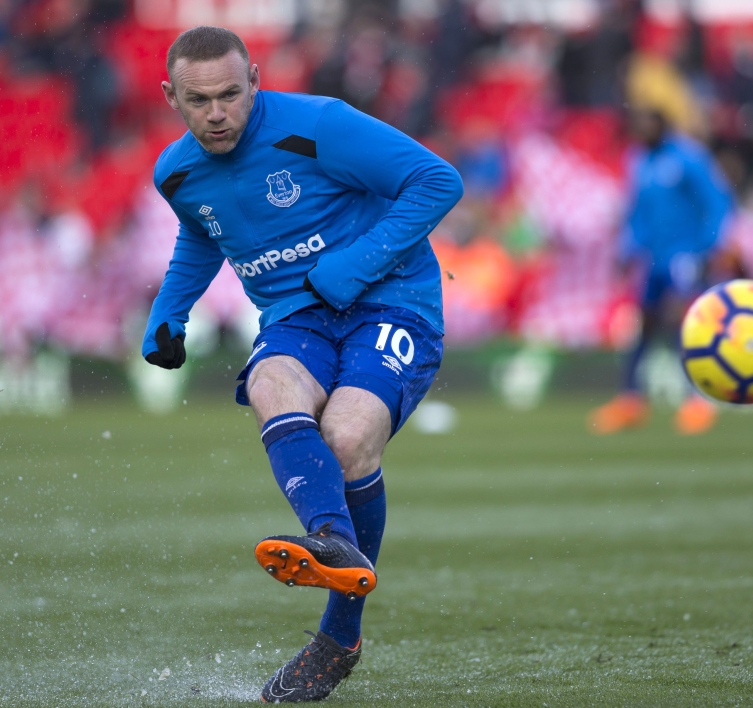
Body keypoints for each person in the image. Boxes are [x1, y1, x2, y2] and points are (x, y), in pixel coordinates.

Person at [142, 27, 463, 702]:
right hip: (297, 318)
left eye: (231, 94)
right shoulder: (175, 172)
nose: (219, 113)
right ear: (172, 97)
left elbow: (437, 181)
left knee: (347, 439)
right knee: (267, 380)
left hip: (393, 303)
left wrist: (351, 267)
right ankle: (331, 541)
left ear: (255, 79)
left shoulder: (319, 125)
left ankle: (338, 634)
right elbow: (203, 231)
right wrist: (168, 314)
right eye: (200, 101)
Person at [588, 106, 733, 435]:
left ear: (662, 125)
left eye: (648, 123)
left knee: (686, 325)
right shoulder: (638, 160)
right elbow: (637, 211)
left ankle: (697, 400)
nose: (642, 130)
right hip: (653, 258)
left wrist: (711, 247)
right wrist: (627, 249)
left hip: (686, 256)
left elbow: (717, 202)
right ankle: (631, 400)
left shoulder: (688, 157)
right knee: (645, 326)